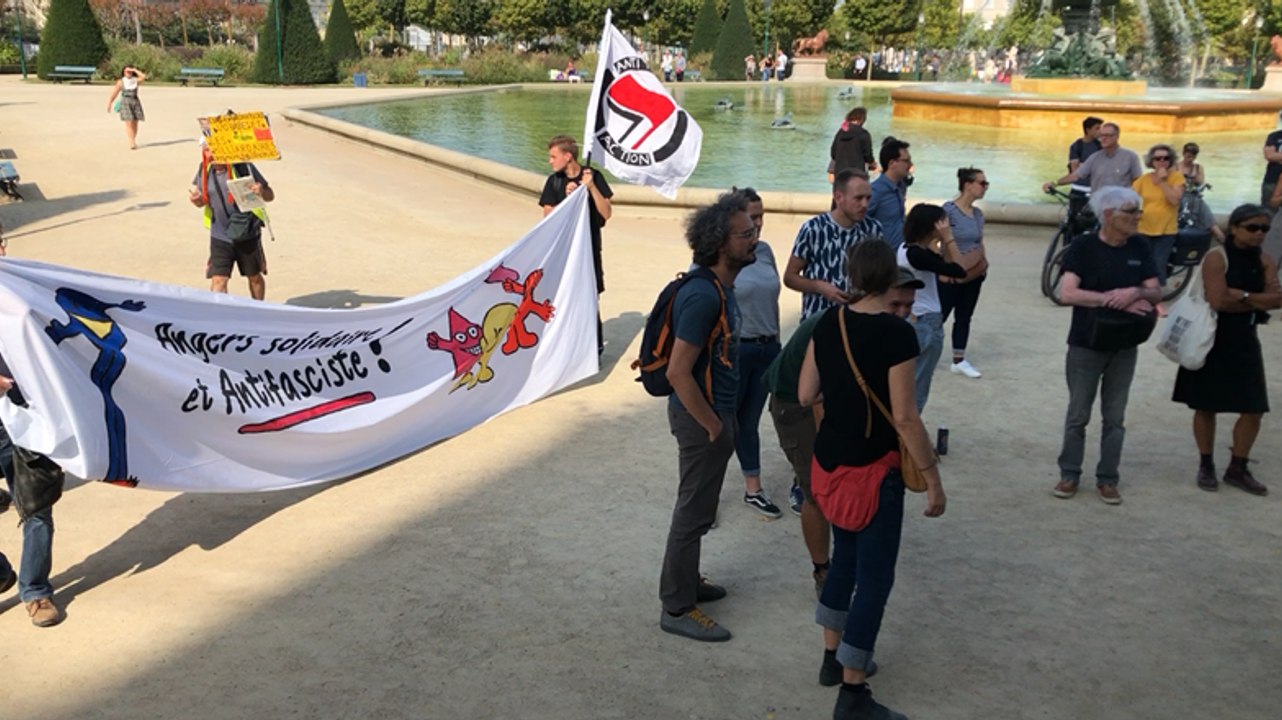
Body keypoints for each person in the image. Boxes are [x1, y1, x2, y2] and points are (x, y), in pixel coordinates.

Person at [799, 240, 946, 720]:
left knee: (843, 562)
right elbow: (905, 417)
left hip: (830, 463)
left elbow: (805, 394)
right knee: (875, 579)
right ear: (890, 279)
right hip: (873, 469)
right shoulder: (896, 335)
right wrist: (932, 478)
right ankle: (853, 689)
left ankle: (830, 655)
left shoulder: (828, 321)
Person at [764, 266, 923, 599]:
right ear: (874, 297)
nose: (903, 314)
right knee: (819, 489)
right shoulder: (837, 326)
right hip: (796, 403)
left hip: (824, 397)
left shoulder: (881, 326)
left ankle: (845, 560)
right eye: (896, 305)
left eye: (909, 306)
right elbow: (821, 403)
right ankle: (824, 569)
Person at [658, 192, 755, 643]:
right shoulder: (702, 296)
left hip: (715, 415)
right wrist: (714, 425)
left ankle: (688, 581)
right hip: (703, 421)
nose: (755, 236)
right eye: (745, 232)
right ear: (720, 243)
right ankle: (677, 606)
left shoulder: (719, 288)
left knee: (700, 508)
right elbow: (679, 371)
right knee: (692, 512)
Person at [1054, 186, 1161, 505]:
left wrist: (1136, 294)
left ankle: (1108, 477)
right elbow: (1067, 293)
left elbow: (1156, 291)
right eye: (1132, 211)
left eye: (1139, 211)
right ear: (1109, 214)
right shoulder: (1083, 247)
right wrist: (1112, 300)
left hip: (1125, 344)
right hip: (1086, 342)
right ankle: (1069, 473)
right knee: (1078, 413)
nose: (1138, 217)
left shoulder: (1140, 246)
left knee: (1115, 416)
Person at [1173, 204, 1282, 495]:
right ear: (1234, 228)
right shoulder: (1216, 258)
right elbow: (1219, 300)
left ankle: (1238, 466)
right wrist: (1259, 300)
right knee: (1205, 405)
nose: (1259, 234)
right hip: (1212, 337)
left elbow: (1278, 300)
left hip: (1245, 338)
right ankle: (1206, 463)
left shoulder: (1266, 260)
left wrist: (1244, 296)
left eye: (1264, 229)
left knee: (1254, 408)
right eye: (1252, 228)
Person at [729, 188, 783, 519]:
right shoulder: (718, 253)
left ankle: (754, 489)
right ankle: (701, 498)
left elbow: (772, 298)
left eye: (762, 215)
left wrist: (775, 342)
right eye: (752, 216)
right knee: (722, 425)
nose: (759, 223)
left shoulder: (764, 251)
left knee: (748, 422)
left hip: (767, 349)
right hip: (736, 350)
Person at [539, 135, 614, 354]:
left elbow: (606, 213)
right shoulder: (554, 182)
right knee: (564, 296)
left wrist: (590, 188)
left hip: (589, 248)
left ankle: (594, 346)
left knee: (591, 296)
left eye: (554, 156)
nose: (550, 161)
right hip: (565, 251)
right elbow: (548, 217)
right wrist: (568, 200)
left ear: (568, 156)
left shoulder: (594, 176)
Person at [784, 169, 883, 322]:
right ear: (838, 197)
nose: (865, 204)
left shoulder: (874, 229)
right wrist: (819, 287)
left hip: (859, 321)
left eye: (868, 198)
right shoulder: (813, 229)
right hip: (818, 320)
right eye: (858, 198)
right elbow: (790, 277)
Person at [896, 205, 966, 412]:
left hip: (915, 319)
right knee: (918, 386)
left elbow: (945, 269)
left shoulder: (907, 249)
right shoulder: (918, 255)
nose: (946, 226)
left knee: (909, 382)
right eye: (942, 223)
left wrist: (938, 243)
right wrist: (948, 238)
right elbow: (960, 270)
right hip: (926, 323)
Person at [188, 136, 275, 300]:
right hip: (219, 235)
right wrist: (197, 200)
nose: (210, 154)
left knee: (254, 277)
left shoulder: (243, 167)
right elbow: (202, 200)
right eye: (206, 150)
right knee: (219, 279)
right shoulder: (204, 169)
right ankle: (219, 317)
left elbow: (270, 195)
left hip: (246, 233)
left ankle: (258, 310)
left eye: (213, 149)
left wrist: (261, 191)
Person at [939, 167, 991, 379]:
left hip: (975, 274)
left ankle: (959, 359)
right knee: (938, 316)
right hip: (952, 275)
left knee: (964, 317)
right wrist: (941, 270)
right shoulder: (948, 210)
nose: (985, 187)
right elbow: (937, 241)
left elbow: (979, 242)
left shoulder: (978, 214)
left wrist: (983, 265)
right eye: (982, 183)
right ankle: (917, 353)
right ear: (968, 185)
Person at [1132, 144, 1184, 286]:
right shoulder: (1144, 179)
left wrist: (1162, 181)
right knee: (1140, 262)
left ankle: (1155, 298)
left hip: (1165, 230)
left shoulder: (1176, 178)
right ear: (1152, 161)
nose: (1162, 161)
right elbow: (1130, 197)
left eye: (1166, 158)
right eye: (1158, 158)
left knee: (1157, 264)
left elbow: (1174, 200)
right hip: (1144, 227)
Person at [1044, 122, 1142, 195]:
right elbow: (1075, 176)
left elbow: (1138, 182)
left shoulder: (1130, 157)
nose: (1103, 139)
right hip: (1098, 206)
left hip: (1120, 207)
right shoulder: (1095, 157)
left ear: (1116, 136)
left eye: (1107, 135)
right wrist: (1054, 183)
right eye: (1101, 135)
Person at [868, 137, 912, 248]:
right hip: (882, 258)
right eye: (906, 161)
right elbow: (859, 222)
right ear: (892, 163)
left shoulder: (899, 188)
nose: (910, 164)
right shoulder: (876, 191)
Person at [106, 66, 147, 150]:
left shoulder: (135, 81)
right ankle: (131, 142)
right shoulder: (121, 82)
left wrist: (134, 69)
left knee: (135, 122)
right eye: (126, 71)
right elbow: (115, 93)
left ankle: (133, 139)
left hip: (135, 101)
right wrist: (110, 102)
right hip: (125, 102)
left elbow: (143, 77)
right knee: (128, 122)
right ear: (123, 72)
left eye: (130, 72)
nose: (128, 73)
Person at [829, 107, 877, 178]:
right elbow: (868, 155)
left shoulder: (840, 133)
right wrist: (873, 164)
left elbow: (833, 153)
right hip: (857, 174)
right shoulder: (863, 134)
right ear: (861, 120)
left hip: (840, 174)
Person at [1260, 112, 1282, 206]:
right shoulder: (1274, 136)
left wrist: (1277, 156)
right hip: (1272, 180)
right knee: (1268, 211)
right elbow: (1269, 156)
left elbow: (1273, 156)